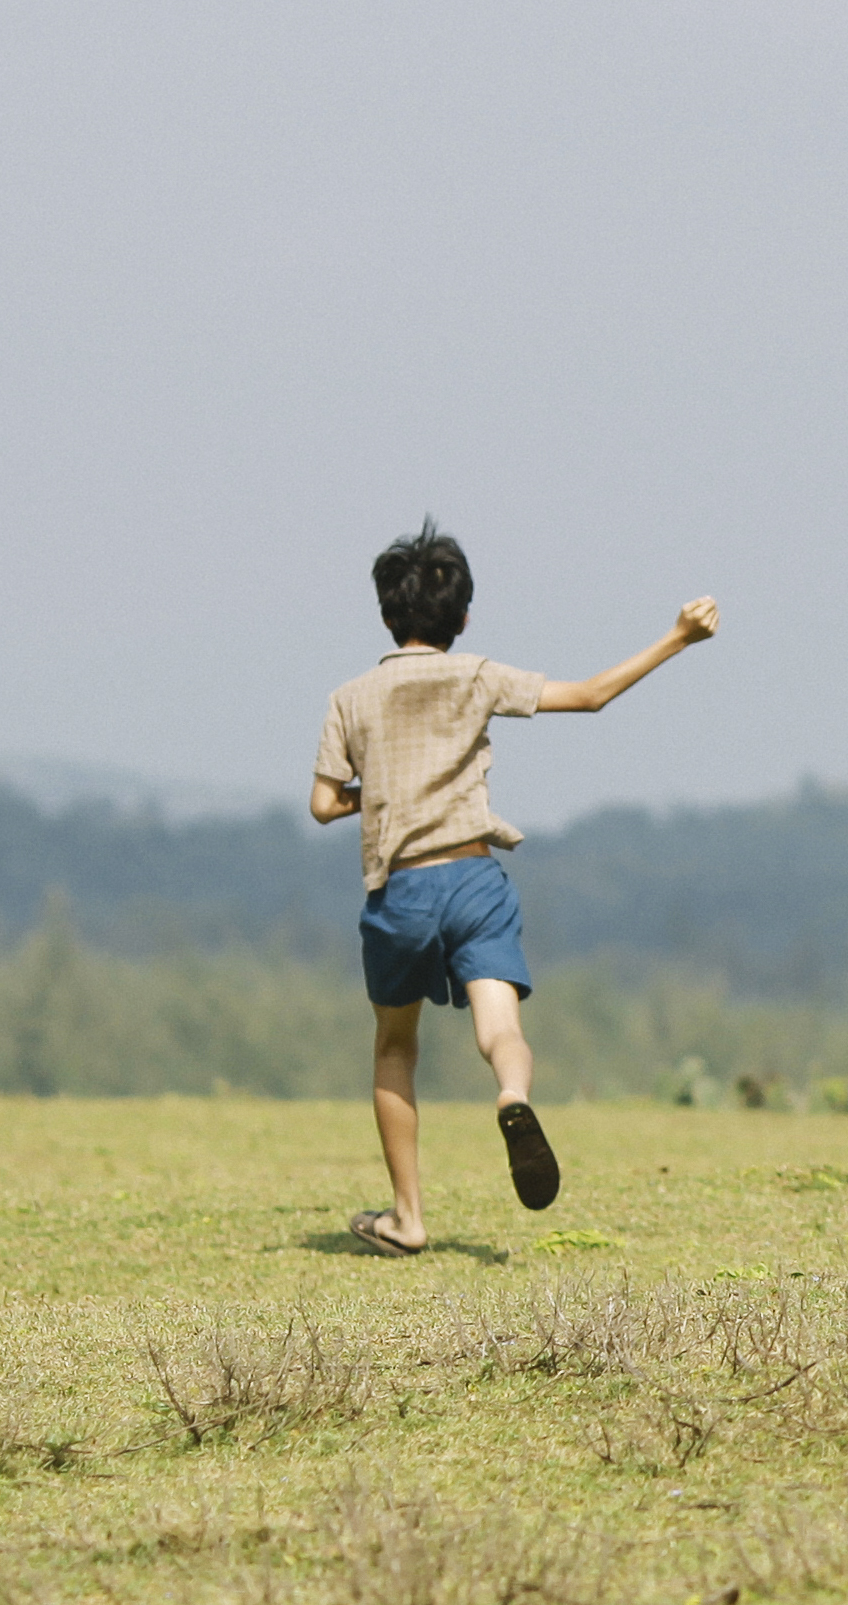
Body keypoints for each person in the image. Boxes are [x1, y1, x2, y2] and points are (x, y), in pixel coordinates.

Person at [311, 520, 720, 1256]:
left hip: (400, 890)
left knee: (395, 1047)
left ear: (384, 614)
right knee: (501, 1031)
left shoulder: (350, 698)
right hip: (472, 876)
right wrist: (678, 637)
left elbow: (321, 803)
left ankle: (407, 1218)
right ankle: (512, 1097)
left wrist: (374, 794)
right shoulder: (476, 675)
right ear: (463, 617)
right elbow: (591, 695)